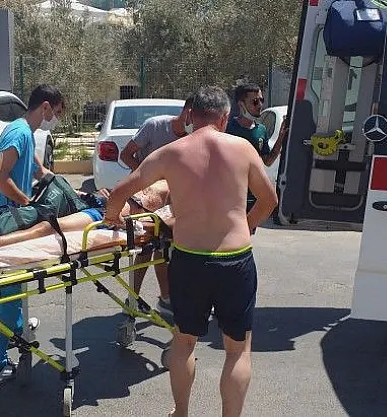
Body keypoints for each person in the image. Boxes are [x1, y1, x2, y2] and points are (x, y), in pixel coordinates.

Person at [104, 86, 278, 417]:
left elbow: (120, 192)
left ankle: (181, 412)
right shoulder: (242, 148)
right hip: (234, 259)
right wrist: (245, 225)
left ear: (191, 116)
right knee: (237, 350)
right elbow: (269, 200)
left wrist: (112, 218)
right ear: (225, 118)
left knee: (184, 342)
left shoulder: (171, 153)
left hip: (189, 260)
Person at [0, 84, 64, 384]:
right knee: (12, 291)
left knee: (15, 286)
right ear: (46, 107)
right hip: (1, 222)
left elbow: (39, 171)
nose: (56, 120)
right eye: (57, 113)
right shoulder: (20, 133)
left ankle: (16, 327)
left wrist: (65, 190)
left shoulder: (24, 131)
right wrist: (28, 204)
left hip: (5, 218)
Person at [119, 94, 194, 315]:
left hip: (171, 200)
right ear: (188, 112)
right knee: (145, 251)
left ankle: (166, 298)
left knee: (163, 249)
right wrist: (146, 176)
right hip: (147, 199)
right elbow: (126, 154)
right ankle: (132, 299)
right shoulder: (155, 126)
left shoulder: (192, 138)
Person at [0, 181, 172, 254]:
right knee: (32, 216)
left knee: (48, 226)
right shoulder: (164, 170)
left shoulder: (176, 191)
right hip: (100, 204)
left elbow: (161, 225)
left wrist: (128, 223)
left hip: (106, 216)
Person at [226, 82, 288, 215]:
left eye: (261, 100)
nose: (260, 105)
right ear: (241, 105)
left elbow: (268, 161)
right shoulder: (228, 127)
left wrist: (281, 137)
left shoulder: (261, 130)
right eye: (255, 102)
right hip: (229, 195)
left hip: (252, 196)